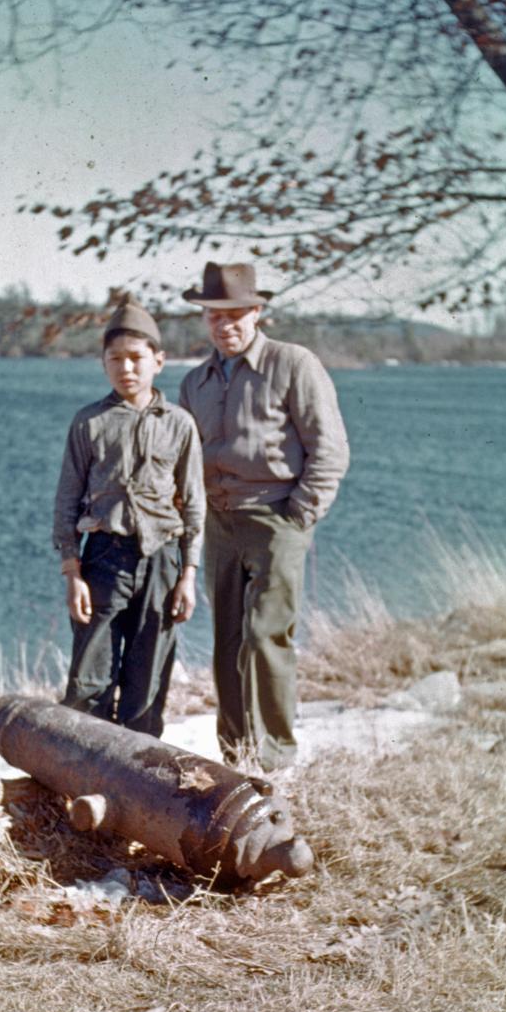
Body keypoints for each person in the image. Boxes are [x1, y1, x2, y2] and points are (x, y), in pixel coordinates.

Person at [179, 262, 349, 770]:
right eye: (214, 316)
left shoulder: (293, 364)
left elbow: (331, 449)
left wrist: (300, 514)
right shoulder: (195, 381)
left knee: (266, 636)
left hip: (278, 519)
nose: (224, 325)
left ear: (257, 312)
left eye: (235, 314)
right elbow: (184, 458)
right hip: (219, 521)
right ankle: (236, 756)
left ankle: (276, 758)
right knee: (227, 638)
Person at [53, 295, 205, 738]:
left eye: (137, 359)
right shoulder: (89, 423)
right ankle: (80, 777)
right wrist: (72, 572)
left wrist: (188, 574)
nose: (127, 369)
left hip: (161, 563)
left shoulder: (179, 424)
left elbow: (194, 504)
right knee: (89, 681)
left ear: (159, 361)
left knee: (148, 682)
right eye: (115, 359)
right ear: (103, 364)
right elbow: (66, 502)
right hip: (103, 559)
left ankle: (137, 784)